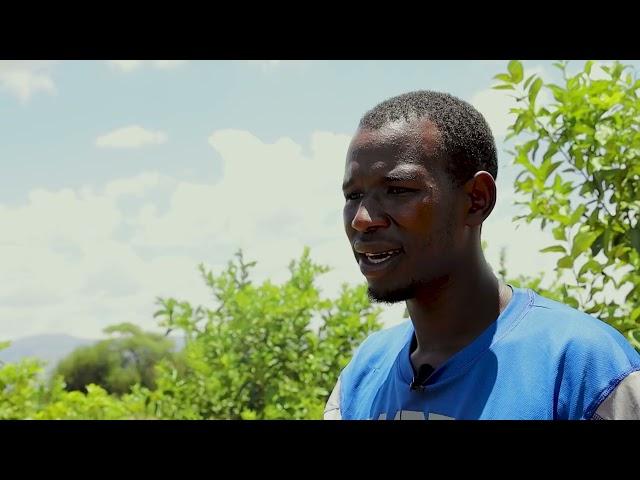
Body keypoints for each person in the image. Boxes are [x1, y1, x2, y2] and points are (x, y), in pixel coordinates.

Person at [324, 90, 640, 420]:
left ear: (476, 200)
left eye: (398, 191)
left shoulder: (587, 372)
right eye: (353, 195)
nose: (362, 218)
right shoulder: (359, 380)